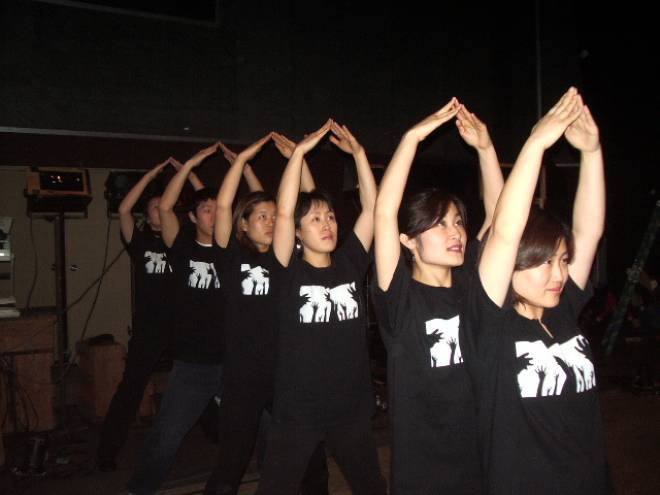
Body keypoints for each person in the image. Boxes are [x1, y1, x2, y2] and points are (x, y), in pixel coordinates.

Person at [466, 87, 612, 493]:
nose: (559, 273)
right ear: (511, 266)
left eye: (563, 260)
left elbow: (589, 231)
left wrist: (592, 152)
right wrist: (536, 144)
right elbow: (504, 233)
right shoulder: (490, 326)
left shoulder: (561, 309)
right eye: (544, 262)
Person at [371, 98, 503, 494]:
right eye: (440, 224)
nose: (456, 232)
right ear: (408, 241)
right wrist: (412, 138)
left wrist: (486, 149)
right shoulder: (400, 299)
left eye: (458, 222)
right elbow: (383, 212)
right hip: (423, 473)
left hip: (480, 459)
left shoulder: (472, 284)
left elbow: (501, 223)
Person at [255, 120, 387, 495]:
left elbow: (373, 208)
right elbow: (284, 212)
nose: (327, 223)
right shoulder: (287, 271)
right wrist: (299, 153)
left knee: (371, 486)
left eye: (329, 216)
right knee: (275, 488)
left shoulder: (349, 262)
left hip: (350, 407)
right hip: (299, 410)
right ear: (297, 233)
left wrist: (359, 155)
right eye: (315, 219)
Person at [202, 135, 329, 494]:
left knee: (310, 454)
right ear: (243, 224)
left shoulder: (283, 258)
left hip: (286, 373)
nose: (272, 222)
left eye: (274, 216)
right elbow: (224, 206)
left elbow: (306, 205)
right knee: (232, 460)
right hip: (243, 377)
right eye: (262, 217)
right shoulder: (231, 258)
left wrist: (299, 161)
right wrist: (242, 159)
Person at [127, 142, 225, 495]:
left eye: (218, 209)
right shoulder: (182, 247)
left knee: (265, 422)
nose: (214, 215)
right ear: (193, 218)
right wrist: (190, 166)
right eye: (206, 210)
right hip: (194, 364)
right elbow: (166, 207)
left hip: (234, 360)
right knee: (167, 433)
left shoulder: (232, 250)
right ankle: (140, 489)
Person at [97, 157, 203, 471]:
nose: (161, 209)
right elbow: (124, 210)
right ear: (147, 214)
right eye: (155, 206)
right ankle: (106, 452)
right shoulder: (140, 241)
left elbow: (209, 205)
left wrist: (188, 174)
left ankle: (217, 436)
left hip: (182, 326)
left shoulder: (183, 241)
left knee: (202, 379)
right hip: (149, 328)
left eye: (165, 205)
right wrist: (150, 175)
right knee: (131, 387)